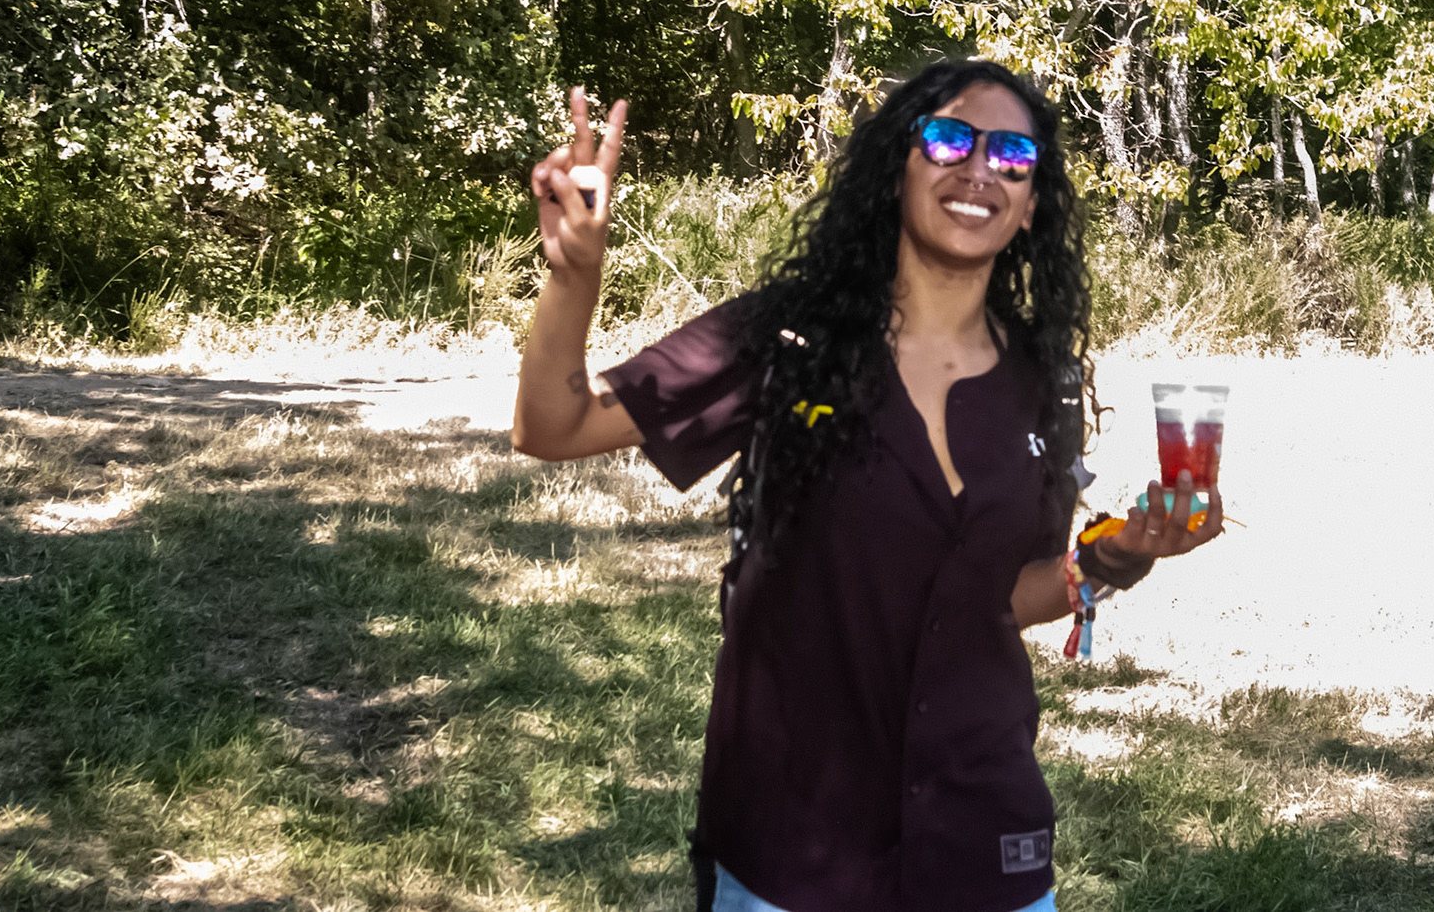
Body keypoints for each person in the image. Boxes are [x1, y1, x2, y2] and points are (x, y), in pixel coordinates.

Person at [512, 60, 1226, 912]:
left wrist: (1120, 554)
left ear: (1032, 203)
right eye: (950, 140)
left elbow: (1008, 597)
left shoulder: (1044, 383)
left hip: (984, 844)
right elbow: (554, 427)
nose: (979, 170)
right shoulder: (788, 339)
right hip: (794, 850)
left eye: (1012, 157)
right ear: (898, 169)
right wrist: (575, 275)